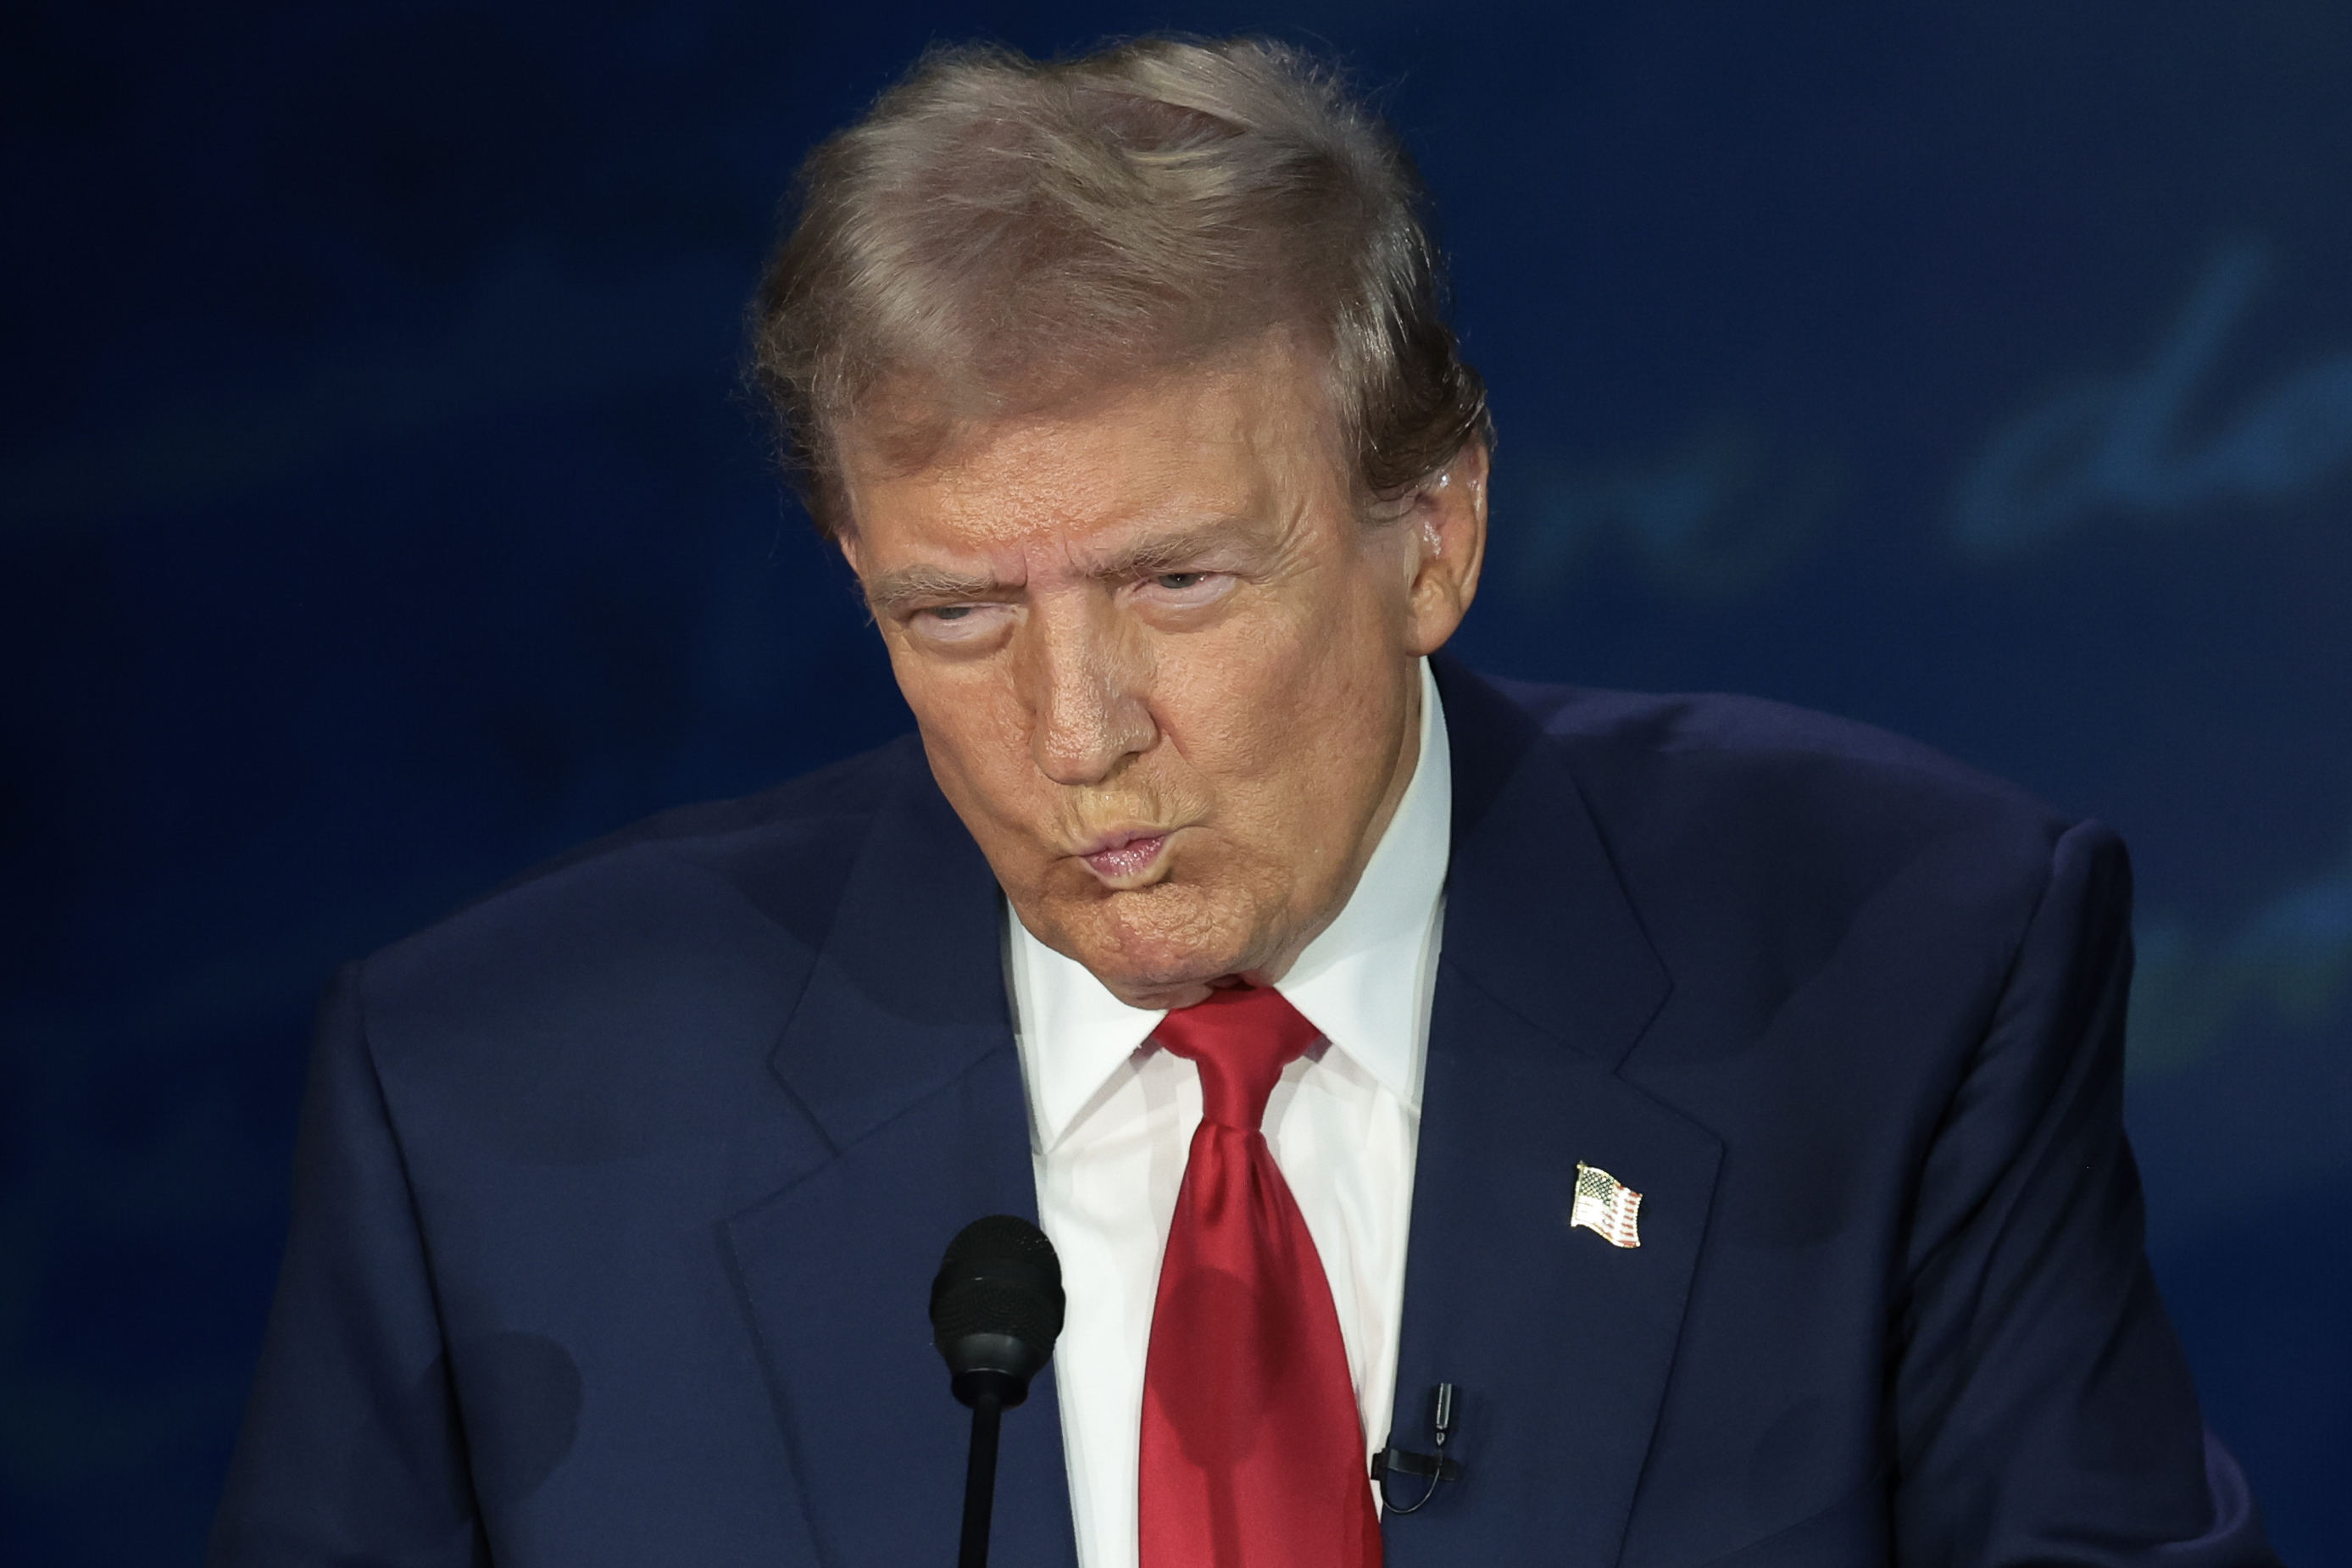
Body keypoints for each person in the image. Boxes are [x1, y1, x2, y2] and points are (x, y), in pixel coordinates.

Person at [210, 36, 2277, 1568]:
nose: (1074, 728)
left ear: (1429, 533)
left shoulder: (1901, 969)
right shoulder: (491, 1111)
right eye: (952, 612)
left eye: (1173, 582)